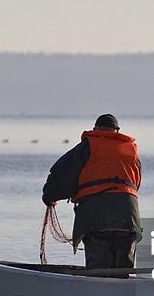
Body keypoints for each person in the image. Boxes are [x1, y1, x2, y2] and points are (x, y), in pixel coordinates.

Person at [42, 113, 142, 272]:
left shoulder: (87, 146)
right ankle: (123, 295)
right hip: (128, 218)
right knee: (124, 272)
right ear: (117, 131)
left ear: (95, 129)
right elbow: (135, 184)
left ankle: (96, 293)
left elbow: (62, 176)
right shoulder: (131, 152)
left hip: (96, 217)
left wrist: (50, 196)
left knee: (98, 271)